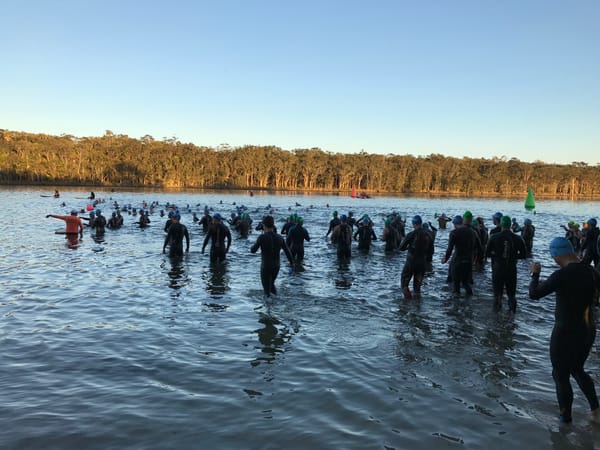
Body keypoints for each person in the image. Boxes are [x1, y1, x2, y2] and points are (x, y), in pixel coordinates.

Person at [529, 237, 600, 425]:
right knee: (577, 369)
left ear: (556, 255)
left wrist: (535, 275)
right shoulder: (593, 272)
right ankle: (596, 410)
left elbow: (534, 294)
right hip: (588, 330)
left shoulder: (562, 274)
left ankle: (565, 421)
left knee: (560, 374)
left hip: (566, 331)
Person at [485, 216, 527, 312]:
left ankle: (496, 320)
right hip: (511, 269)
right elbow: (524, 255)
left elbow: (487, 253)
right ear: (510, 225)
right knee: (511, 295)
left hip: (498, 269)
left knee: (497, 295)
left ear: (502, 224)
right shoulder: (518, 238)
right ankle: (511, 319)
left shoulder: (494, 237)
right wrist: (512, 256)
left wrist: (497, 255)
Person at [250, 215, 293, 297]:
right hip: (276, 266)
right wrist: (292, 264)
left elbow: (253, 251)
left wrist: (255, 243)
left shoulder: (262, 237)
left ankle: (269, 307)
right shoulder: (280, 238)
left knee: (266, 290)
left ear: (263, 225)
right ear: (273, 225)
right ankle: (276, 303)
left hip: (265, 266)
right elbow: (288, 252)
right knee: (271, 284)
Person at [442, 215, 482, 295]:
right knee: (466, 284)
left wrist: (445, 259)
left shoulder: (454, 233)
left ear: (455, 224)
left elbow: (450, 249)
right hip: (468, 262)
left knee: (456, 287)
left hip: (457, 262)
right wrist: (476, 261)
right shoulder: (473, 232)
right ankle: (469, 304)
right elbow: (480, 249)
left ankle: (456, 306)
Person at [399, 215, 433, 299]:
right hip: (422, 264)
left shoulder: (411, 234)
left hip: (410, 263)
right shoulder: (429, 235)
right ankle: (417, 307)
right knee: (417, 288)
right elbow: (431, 252)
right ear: (421, 223)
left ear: (413, 224)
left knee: (404, 284)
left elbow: (401, 248)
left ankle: (406, 304)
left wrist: (408, 247)